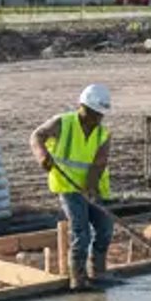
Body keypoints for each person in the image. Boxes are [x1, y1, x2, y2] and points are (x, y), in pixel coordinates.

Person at [31, 83, 114, 289]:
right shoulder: (63, 123)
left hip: (91, 187)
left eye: (99, 115)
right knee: (81, 231)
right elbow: (36, 136)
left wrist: (91, 188)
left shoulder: (103, 134)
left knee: (105, 228)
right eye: (93, 113)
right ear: (82, 107)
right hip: (68, 187)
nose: (96, 119)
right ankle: (77, 277)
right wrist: (42, 155)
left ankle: (99, 272)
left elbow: (99, 163)